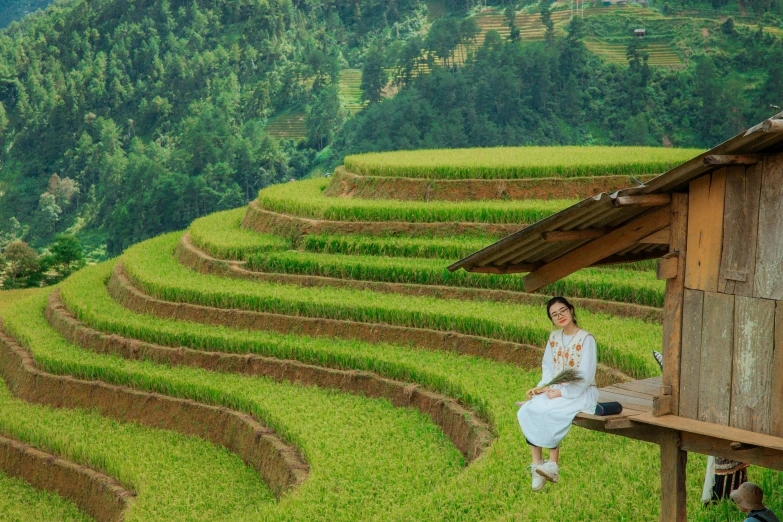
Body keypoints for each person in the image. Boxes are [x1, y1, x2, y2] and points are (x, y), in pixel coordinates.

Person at [517, 296, 598, 491]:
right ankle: (537, 465)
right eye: (554, 315)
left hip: (581, 391)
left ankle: (552, 465)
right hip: (557, 388)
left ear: (571, 310)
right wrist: (542, 388)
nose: (559, 316)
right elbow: (548, 368)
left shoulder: (587, 339)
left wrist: (561, 394)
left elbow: (586, 376)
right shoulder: (554, 337)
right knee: (530, 408)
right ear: (551, 320)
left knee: (552, 411)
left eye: (562, 311)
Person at [652, 351, 751, 505]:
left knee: (726, 464)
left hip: (727, 425)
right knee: (722, 464)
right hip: (724, 423)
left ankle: (726, 500)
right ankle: (724, 500)